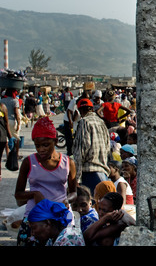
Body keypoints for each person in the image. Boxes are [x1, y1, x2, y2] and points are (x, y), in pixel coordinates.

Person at [14, 117, 78, 246]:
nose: (41, 149)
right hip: (35, 219)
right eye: (37, 145)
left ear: (55, 141)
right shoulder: (29, 162)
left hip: (59, 217)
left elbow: (74, 192)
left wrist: (67, 200)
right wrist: (34, 194)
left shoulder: (68, 163)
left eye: (45, 145)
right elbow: (18, 193)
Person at [72, 98, 111, 195]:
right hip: (102, 171)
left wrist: (76, 178)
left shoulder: (84, 122)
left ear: (80, 111)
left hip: (89, 173)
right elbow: (107, 146)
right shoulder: (101, 122)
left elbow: (80, 152)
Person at [3, 88, 21, 160]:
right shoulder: (15, 101)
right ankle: (16, 155)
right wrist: (19, 123)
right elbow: (16, 112)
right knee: (16, 138)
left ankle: (8, 156)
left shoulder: (2, 100)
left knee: (6, 139)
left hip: (3, 121)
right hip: (12, 121)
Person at [0, 101, 13, 182]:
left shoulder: (2, 107)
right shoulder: (2, 107)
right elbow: (6, 123)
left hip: (1, 137)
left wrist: (10, 137)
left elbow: (6, 122)